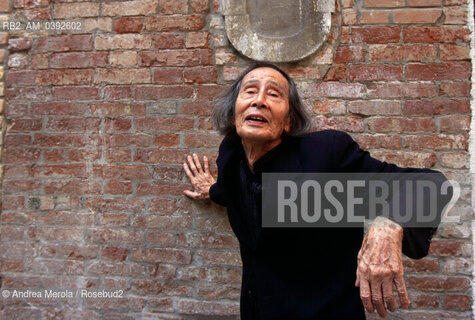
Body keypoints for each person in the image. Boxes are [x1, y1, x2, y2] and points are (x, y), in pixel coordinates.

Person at [182, 62, 450, 319]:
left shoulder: (325, 155)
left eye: (273, 94)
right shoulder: (230, 155)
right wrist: (211, 191)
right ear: (233, 113)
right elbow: (240, 192)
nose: (259, 100)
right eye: (250, 91)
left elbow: (430, 185)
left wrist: (390, 223)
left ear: (288, 121)